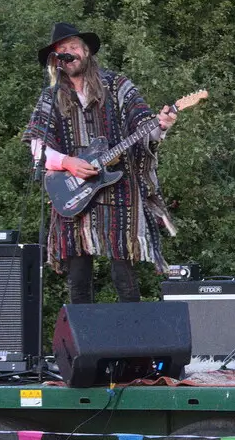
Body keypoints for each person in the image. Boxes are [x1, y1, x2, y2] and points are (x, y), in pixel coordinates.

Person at [23, 23, 180, 303]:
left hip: (120, 191)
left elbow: (146, 128)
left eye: (72, 47)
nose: (68, 54)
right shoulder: (51, 96)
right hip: (73, 194)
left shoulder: (118, 86)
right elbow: (38, 147)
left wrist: (163, 125)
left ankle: (132, 343)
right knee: (79, 282)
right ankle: (82, 345)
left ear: (86, 51)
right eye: (61, 51)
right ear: (55, 60)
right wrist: (69, 163)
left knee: (125, 278)